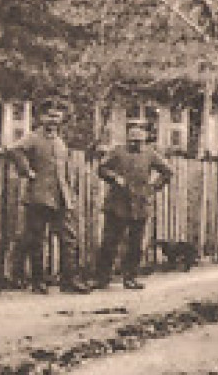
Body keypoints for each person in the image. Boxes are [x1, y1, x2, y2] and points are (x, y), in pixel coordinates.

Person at [10, 98, 89, 294]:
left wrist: (69, 192)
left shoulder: (59, 141)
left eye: (57, 116)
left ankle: (68, 280)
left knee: (68, 238)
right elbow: (14, 150)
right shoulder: (33, 138)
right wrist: (27, 172)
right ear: (41, 117)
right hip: (39, 196)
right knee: (37, 239)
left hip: (61, 196)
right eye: (49, 116)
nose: (53, 120)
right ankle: (38, 281)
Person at [94, 118, 173, 290]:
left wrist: (153, 188)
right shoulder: (117, 152)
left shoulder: (151, 154)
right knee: (109, 242)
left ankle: (130, 277)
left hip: (139, 204)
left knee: (135, 244)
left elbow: (167, 172)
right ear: (127, 138)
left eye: (138, 141)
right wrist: (114, 177)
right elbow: (101, 168)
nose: (135, 143)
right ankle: (102, 277)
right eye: (132, 140)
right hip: (117, 204)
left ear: (144, 139)